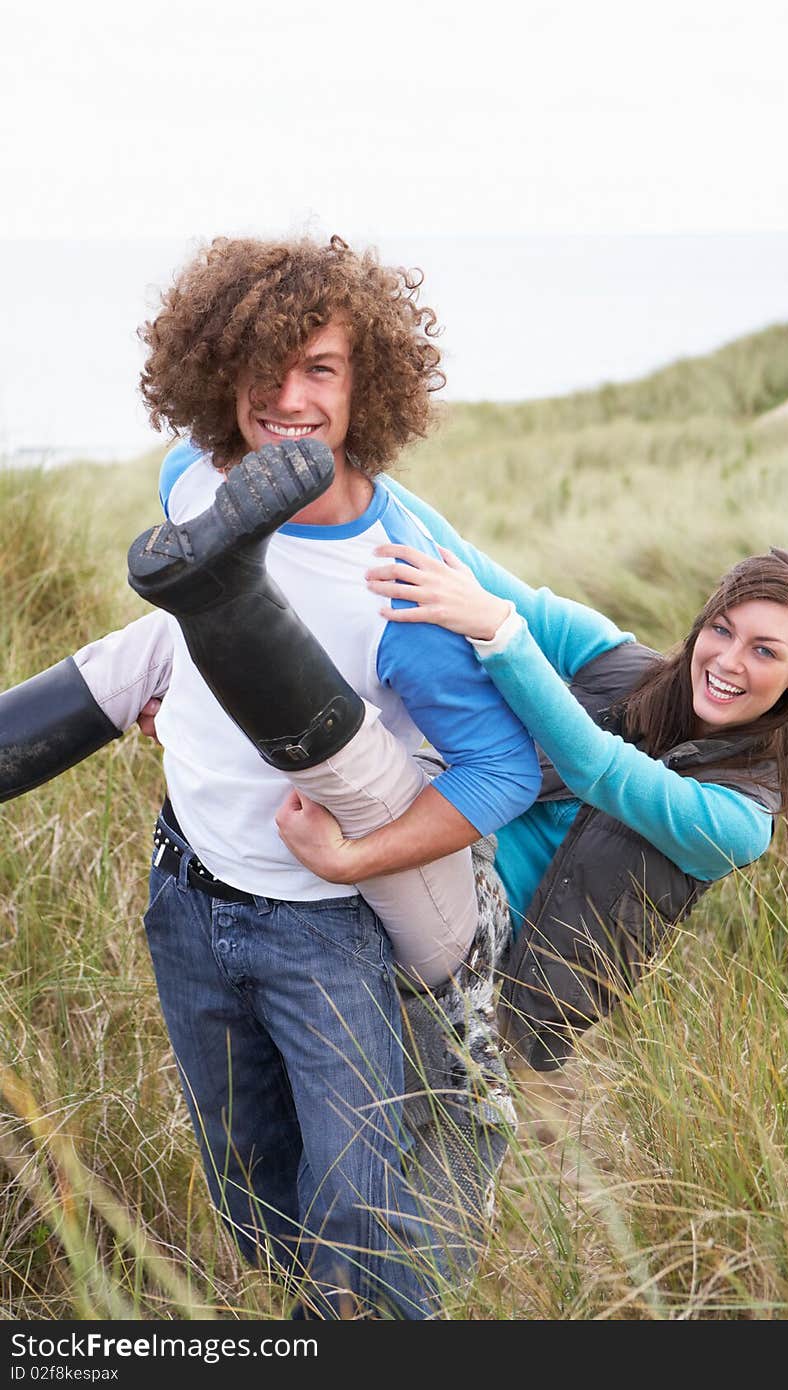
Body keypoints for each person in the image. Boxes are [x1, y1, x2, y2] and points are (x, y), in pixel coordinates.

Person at [0, 235, 544, 1319]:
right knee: (252, 1199)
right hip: (191, 899)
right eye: (265, 367)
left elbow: (502, 769)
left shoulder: (400, 579)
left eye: (321, 370)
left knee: (356, 1216)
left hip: (322, 927)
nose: (288, 399)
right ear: (219, 370)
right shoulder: (193, 479)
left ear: (366, 385)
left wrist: (357, 853)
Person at [270, 511, 788, 1072]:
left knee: (439, 1153)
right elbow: (467, 564)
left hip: (496, 962)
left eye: (764, 650)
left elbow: (597, 768)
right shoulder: (622, 668)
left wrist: (500, 632)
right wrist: (357, 483)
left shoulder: (738, 820)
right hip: (449, 850)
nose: (728, 659)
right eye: (722, 629)